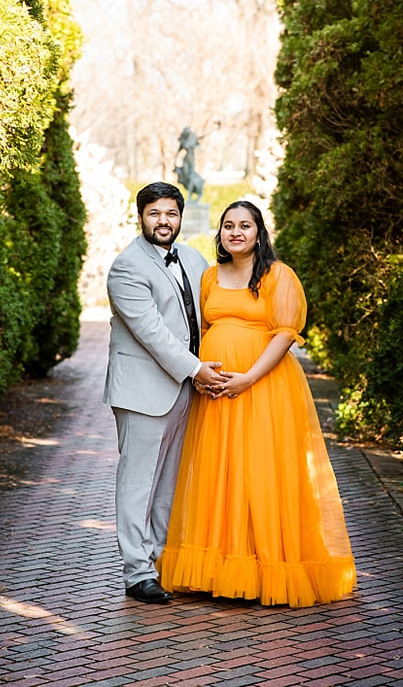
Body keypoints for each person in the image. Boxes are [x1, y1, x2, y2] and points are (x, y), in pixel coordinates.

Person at [158, 200, 357, 607]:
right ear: (221, 234)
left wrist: (247, 377)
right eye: (228, 225)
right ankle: (219, 569)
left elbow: (285, 335)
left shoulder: (278, 275)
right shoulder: (210, 278)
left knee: (260, 471)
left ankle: (265, 566)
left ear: (259, 232)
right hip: (215, 393)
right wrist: (203, 373)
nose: (236, 232)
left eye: (244, 226)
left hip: (263, 388)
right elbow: (204, 330)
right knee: (220, 473)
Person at [105, 182, 230, 604]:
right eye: (155, 213)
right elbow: (152, 333)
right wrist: (198, 370)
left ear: (180, 216)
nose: (164, 222)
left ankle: (158, 562)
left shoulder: (193, 258)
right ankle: (136, 573)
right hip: (144, 389)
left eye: (171, 214)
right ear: (140, 216)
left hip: (186, 389)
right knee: (138, 483)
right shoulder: (126, 267)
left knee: (169, 485)